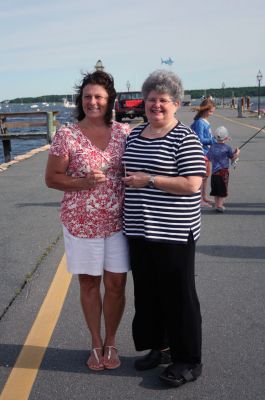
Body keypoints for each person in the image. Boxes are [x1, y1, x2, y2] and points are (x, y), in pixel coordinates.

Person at [122, 70, 206, 388]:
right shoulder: (135, 134)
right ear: (144, 102)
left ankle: (189, 361)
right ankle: (161, 348)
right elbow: (126, 169)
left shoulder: (184, 137)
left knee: (180, 297)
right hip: (139, 231)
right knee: (148, 295)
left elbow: (193, 184)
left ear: (176, 104)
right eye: (151, 99)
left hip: (173, 232)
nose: (156, 105)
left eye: (163, 100)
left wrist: (151, 180)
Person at [45, 70, 130, 371]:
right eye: (87, 97)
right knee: (90, 283)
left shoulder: (124, 133)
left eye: (99, 97)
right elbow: (51, 178)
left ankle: (112, 341)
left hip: (119, 223)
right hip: (81, 223)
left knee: (117, 283)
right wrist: (82, 182)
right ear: (81, 101)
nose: (93, 102)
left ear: (110, 101)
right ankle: (96, 342)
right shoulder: (66, 135)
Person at [206, 126, 240, 213]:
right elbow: (232, 158)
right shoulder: (227, 148)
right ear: (226, 137)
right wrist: (237, 153)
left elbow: (208, 158)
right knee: (222, 189)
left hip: (214, 173)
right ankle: (220, 206)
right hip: (223, 172)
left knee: (216, 189)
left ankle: (217, 204)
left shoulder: (212, 147)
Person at [191, 98, 217, 207]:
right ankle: (199, 199)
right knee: (201, 177)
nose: (211, 113)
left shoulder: (204, 121)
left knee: (205, 177)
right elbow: (199, 139)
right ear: (205, 110)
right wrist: (212, 140)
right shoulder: (200, 123)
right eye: (210, 111)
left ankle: (204, 197)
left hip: (207, 153)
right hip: (201, 153)